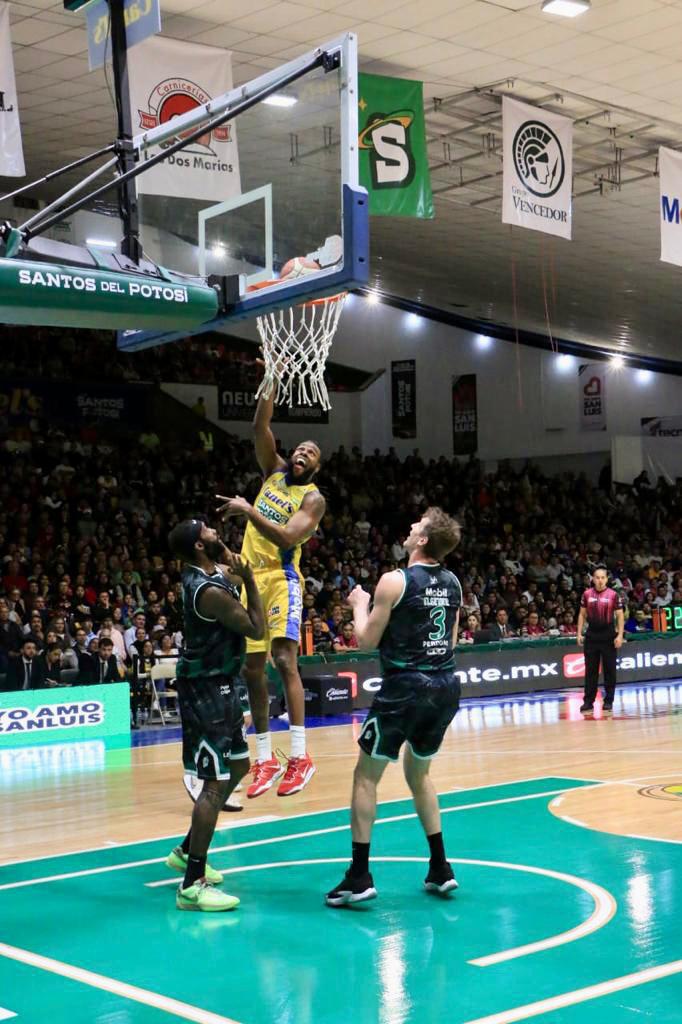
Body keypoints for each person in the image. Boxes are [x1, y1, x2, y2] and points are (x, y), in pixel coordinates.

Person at [326, 508, 462, 907]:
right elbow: (450, 643)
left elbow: (366, 641)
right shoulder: (452, 582)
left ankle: (359, 875)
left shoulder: (394, 581)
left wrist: (358, 603)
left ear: (421, 541)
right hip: (444, 686)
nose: (410, 526)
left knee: (365, 777)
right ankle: (440, 867)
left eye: (415, 525)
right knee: (419, 774)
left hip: (404, 688)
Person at [216, 385, 325, 799]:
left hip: (282, 580)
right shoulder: (273, 472)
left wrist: (249, 510)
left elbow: (284, 538)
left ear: (317, 466)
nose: (302, 453)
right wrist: (270, 380)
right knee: (251, 671)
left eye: (311, 452)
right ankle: (264, 760)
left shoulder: (313, 500)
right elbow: (260, 423)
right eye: (299, 448)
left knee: (284, 659)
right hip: (250, 582)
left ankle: (300, 757)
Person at [165, 518, 264, 913]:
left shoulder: (208, 571)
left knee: (239, 766)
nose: (211, 527)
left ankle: (185, 850)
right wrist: (253, 580)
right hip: (206, 689)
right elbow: (255, 628)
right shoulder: (206, 589)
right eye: (204, 529)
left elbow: (227, 569)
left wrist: (227, 557)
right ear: (199, 547)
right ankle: (192, 883)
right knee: (214, 784)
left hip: (222, 682)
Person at [576, 564, 624, 714]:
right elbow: (582, 615)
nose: (600, 580)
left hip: (608, 635)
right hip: (592, 636)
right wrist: (579, 633)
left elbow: (620, 615)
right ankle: (588, 702)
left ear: (607, 579)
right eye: (597, 578)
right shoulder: (586, 594)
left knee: (610, 670)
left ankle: (608, 700)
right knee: (590, 671)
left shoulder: (613, 595)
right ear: (593, 579)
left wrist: (620, 635)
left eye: (603, 578)